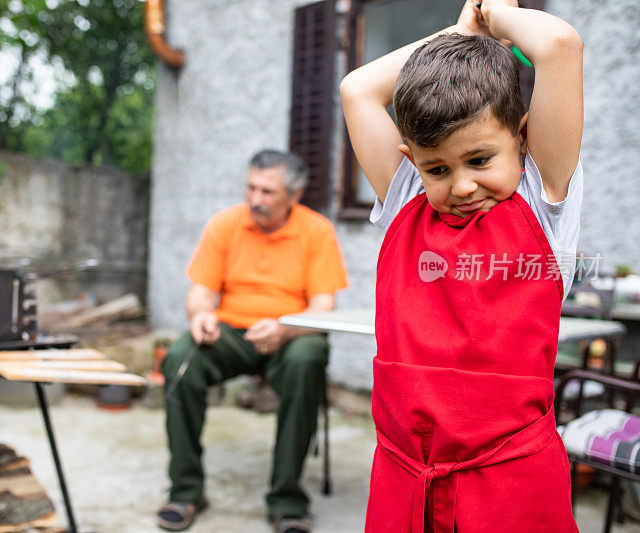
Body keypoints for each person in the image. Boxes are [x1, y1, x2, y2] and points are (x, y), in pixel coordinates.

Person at [340, 0, 583, 531]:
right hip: (404, 478)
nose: (462, 185)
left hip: (508, 484)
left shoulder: (544, 202)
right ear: (411, 162)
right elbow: (357, 89)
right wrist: (457, 31)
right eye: (437, 168)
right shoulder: (407, 198)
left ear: (521, 138)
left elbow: (559, 46)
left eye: (479, 160)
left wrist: (492, 19)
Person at [156, 150, 348, 533]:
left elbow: (324, 309)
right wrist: (201, 316)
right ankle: (187, 491)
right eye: (251, 187)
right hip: (231, 332)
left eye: (267, 191)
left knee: (308, 357)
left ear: (293, 195)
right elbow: (200, 292)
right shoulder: (224, 224)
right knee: (179, 358)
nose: (255, 199)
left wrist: (285, 329)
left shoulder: (317, 231)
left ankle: (287, 501)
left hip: (292, 334)